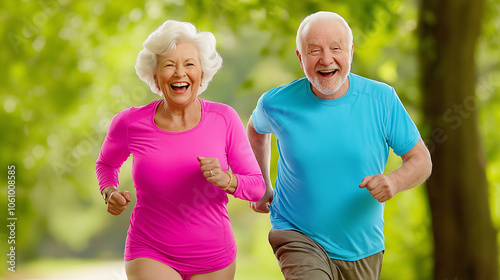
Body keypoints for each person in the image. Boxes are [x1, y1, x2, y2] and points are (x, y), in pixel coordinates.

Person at [247, 11, 432, 280]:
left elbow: (421, 160)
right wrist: (262, 183)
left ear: (350, 52)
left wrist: (394, 182)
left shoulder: (382, 100)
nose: (326, 59)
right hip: (295, 233)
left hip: (362, 247)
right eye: (314, 51)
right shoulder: (277, 103)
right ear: (301, 58)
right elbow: (255, 128)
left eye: (336, 48)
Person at [96, 20, 266, 280]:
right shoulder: (130, 122)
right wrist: (109, 192)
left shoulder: (224, 119)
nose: (179, 73)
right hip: (150, 250)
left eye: (189, 64)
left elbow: (256, 186)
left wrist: (226, 179)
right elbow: (107, 164)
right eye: (169, 65)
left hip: (213, 257)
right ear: (155, 76)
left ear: (202, 74)